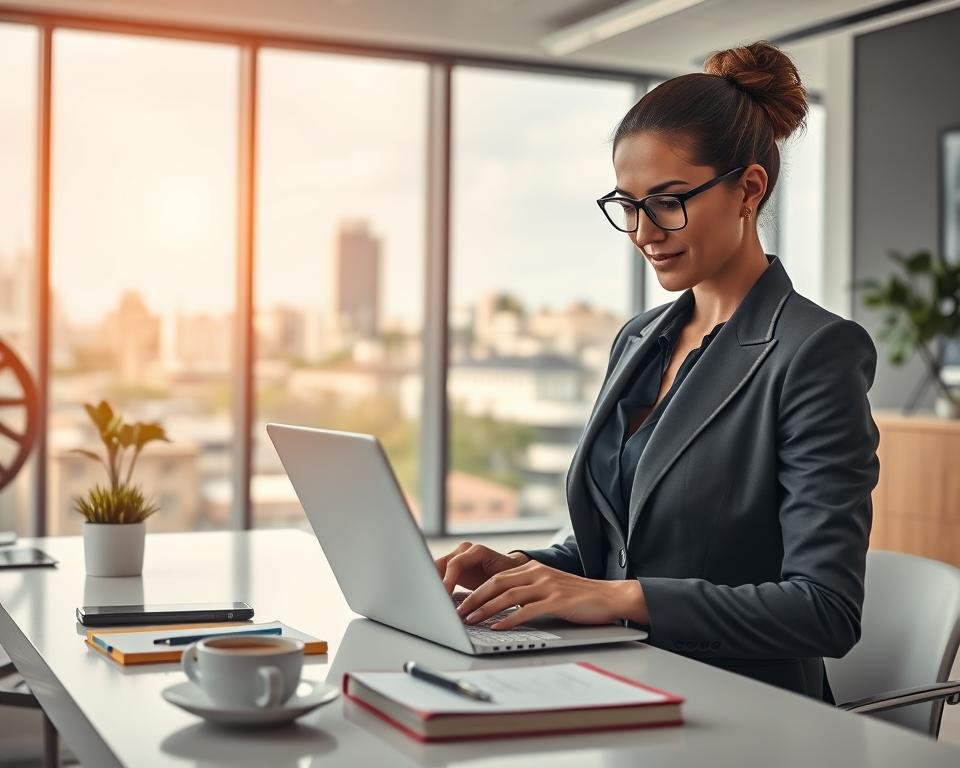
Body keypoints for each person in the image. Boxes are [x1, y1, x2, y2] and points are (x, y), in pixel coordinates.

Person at [434, 40, 881, 701]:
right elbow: (627, 547)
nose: (644, 231)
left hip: (743, 710)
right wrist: (523, 571)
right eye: (628, 204)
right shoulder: (640, 338)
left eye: (668, 201)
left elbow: (823, 609)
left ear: (748, 189)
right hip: (618, 680)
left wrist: (617, 595)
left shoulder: (815, 352)